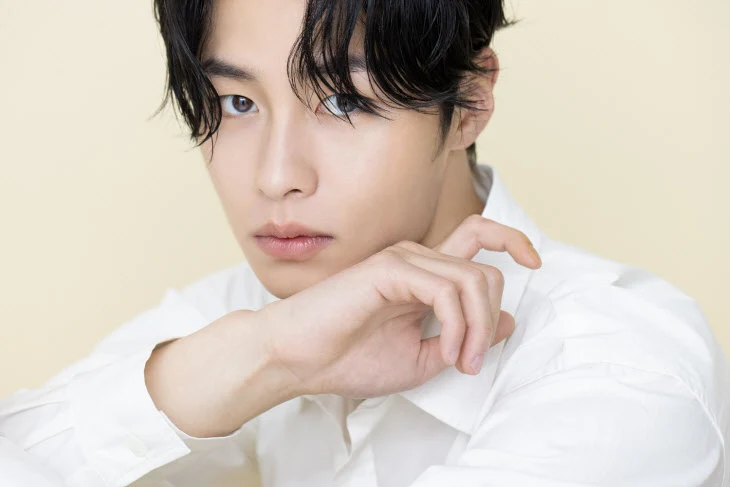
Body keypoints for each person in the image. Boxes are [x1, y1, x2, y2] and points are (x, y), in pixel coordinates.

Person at [1, 0, 728, 485]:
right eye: (238, 102)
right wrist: (270, 355)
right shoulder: (251, 313)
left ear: (469, 103)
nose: (276, 177)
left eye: (343, 100)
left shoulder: (621, 370)